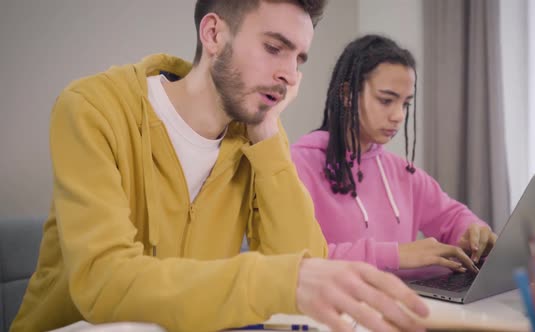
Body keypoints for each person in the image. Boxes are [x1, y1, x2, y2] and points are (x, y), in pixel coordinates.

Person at [11, 3, 429, 332]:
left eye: (298, 58)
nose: (288, 74)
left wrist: (266, 132)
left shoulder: (256, 137)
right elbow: (104, 283)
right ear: (213, 34)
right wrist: (276, 281)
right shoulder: (93, 109)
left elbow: (304, 262)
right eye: (273, 48)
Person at [291, 34, 497, 274]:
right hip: (331, 309)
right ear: (347, 94)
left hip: (402, 305)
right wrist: (397, 255)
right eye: (386, 100)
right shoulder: (298, 165)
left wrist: (473, 230)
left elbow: (452, 216)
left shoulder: (402, 172)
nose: (398, 115)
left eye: (405, 103)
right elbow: (299, 259)